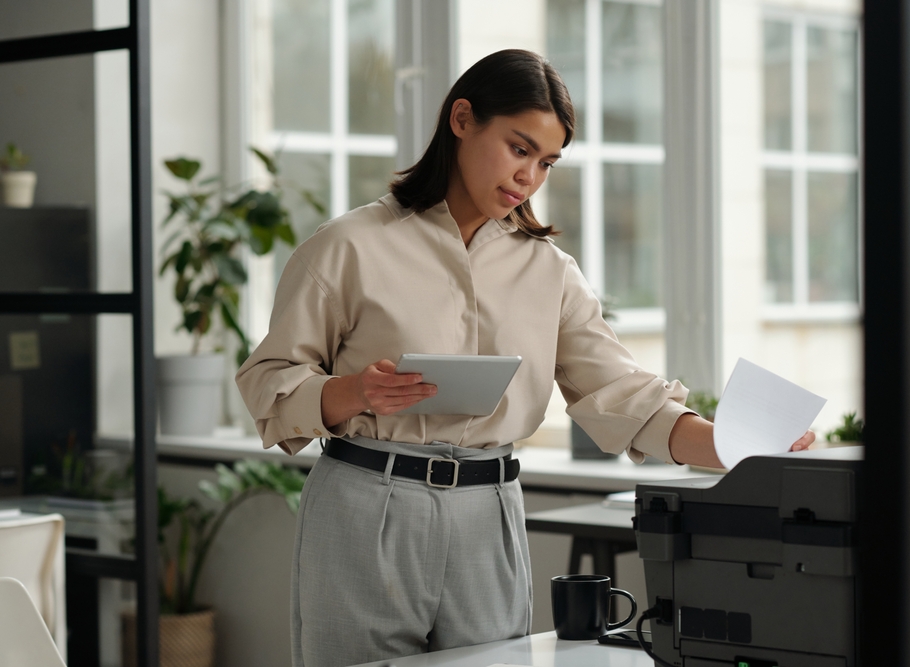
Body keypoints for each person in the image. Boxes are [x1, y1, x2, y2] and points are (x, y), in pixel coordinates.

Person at [236, 48, 814, 667]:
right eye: (519, 149)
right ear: (462, 119)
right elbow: (267, 378)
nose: (529, 177)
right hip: (365, 507)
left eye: (546, 163)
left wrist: (737, 447)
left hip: (490, 514)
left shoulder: (550, 272)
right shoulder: (348, 246)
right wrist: (353, 393)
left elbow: (621, 396)